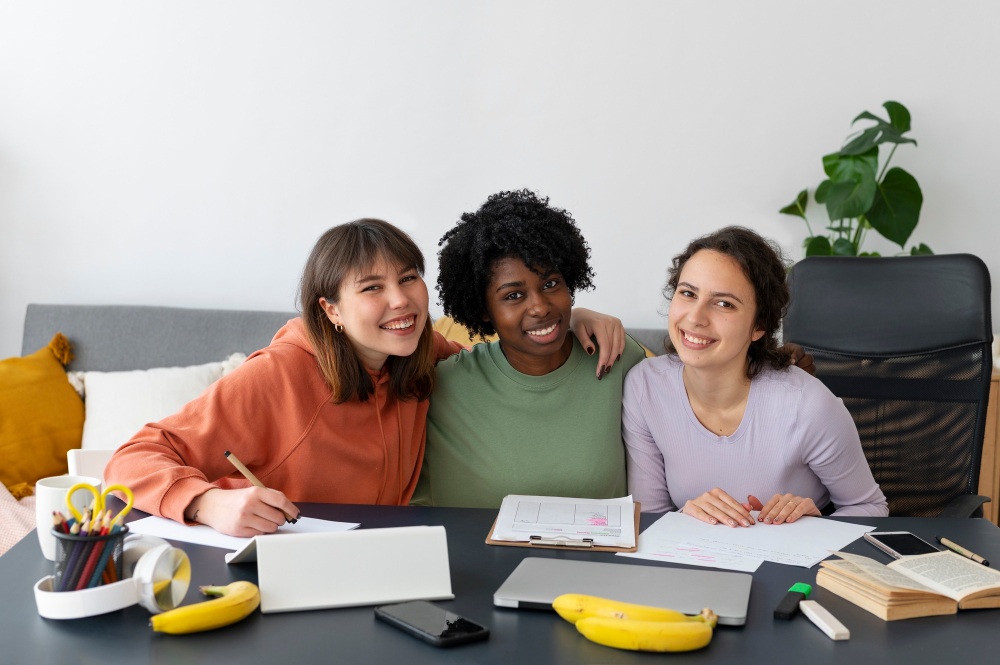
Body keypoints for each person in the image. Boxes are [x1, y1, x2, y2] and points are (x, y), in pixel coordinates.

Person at [105, 218, 622, 537]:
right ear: (331, 310)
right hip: (284, 570)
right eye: (372, 288)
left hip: (392, 569)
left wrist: (568, 320)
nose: (400, 300)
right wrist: (208, 502)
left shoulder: (424, 354)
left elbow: (503, 358)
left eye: (408, 278)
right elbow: (132, 458)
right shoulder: (278, 375)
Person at [622, 226, 888, 526]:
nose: (695, 317)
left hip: (790, 565)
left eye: (724, 303)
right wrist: (686, 516)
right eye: (687, 293)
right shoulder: (645, 387)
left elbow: (870, 508)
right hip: (696, 564)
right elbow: (649, 519)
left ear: (759, 327)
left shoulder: (808, 405)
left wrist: (816, 524)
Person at [412, 190, 651, 509]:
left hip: (600, 556)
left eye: (551, 284)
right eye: (513, 296)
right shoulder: (443, 386)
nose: (540, 307)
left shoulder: (618, 358)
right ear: (484, 310)